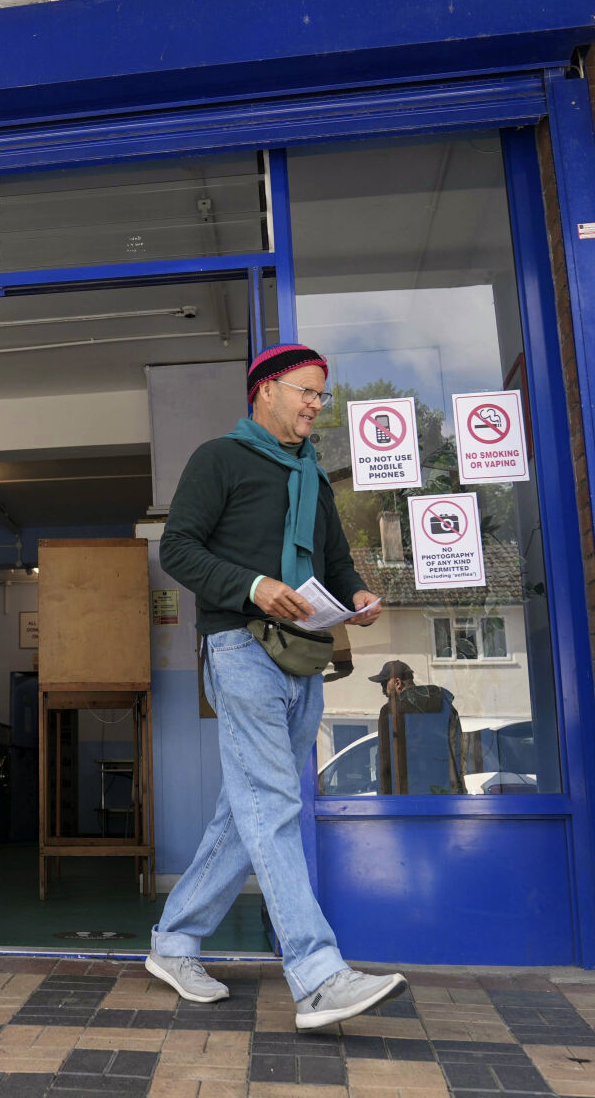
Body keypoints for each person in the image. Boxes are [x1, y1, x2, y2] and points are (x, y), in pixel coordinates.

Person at [146, 343, 406, 1031]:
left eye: (322, 395)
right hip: (238, 645)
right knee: (271, 800)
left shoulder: (312, 475)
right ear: (264, 389)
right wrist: (253, 585)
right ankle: (317, 974)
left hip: (303, 652)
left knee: (248, 805)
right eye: (306, 392)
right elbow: (177, 547)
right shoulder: (218, 459)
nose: (316, 406)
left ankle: (173, 942)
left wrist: (354, 592)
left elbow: (334, 556)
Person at [372, 660, 466, 796]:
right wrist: (458, 795)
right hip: (442, 795)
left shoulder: (390, 711)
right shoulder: (445, 705)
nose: (383, 691)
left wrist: (384, 800)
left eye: (384, 684)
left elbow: (384, 763)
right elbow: (458, 754)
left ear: (397, 683)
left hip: (407, 798)